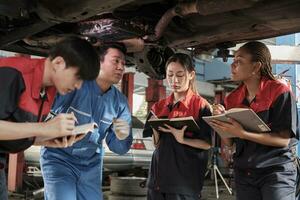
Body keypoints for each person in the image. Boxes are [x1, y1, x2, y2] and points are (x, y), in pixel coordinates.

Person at [0, 36, 100, 200]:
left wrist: (45, 140)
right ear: (58, 63)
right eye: (78, 77)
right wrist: (45, 128)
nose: (78, 86)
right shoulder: (13, 73)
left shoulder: (48, 90)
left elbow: (12, 129)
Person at [40, 42, 133, 200]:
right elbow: (44, 112)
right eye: (116, 61)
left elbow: (119, 148)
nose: (121, 67)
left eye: (123, 64)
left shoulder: (120, 103)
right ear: (99, 62)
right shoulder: (75, 84)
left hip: (91, 166)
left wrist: (123, 136)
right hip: (59, 159)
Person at [210, 41, 298, 200]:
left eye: (239, 61)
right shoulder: (232, 98)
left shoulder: (279, 92)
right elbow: (229, 142)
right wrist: (220, 122)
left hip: (276, 171)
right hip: (244, 173)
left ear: (256, 67)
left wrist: (243, 133)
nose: (232, 65)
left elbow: (283, 140)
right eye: (233, 60)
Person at [143, 53, 212, 200]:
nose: (174, 80)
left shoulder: (201, 106)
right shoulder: (158, 107)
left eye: (180, 75)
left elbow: (207, 144)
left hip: (184, 183)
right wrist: (155, 129)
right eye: (170, 75)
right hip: (157, 181)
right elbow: (156, 144)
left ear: (191, 74)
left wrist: (182, 140)